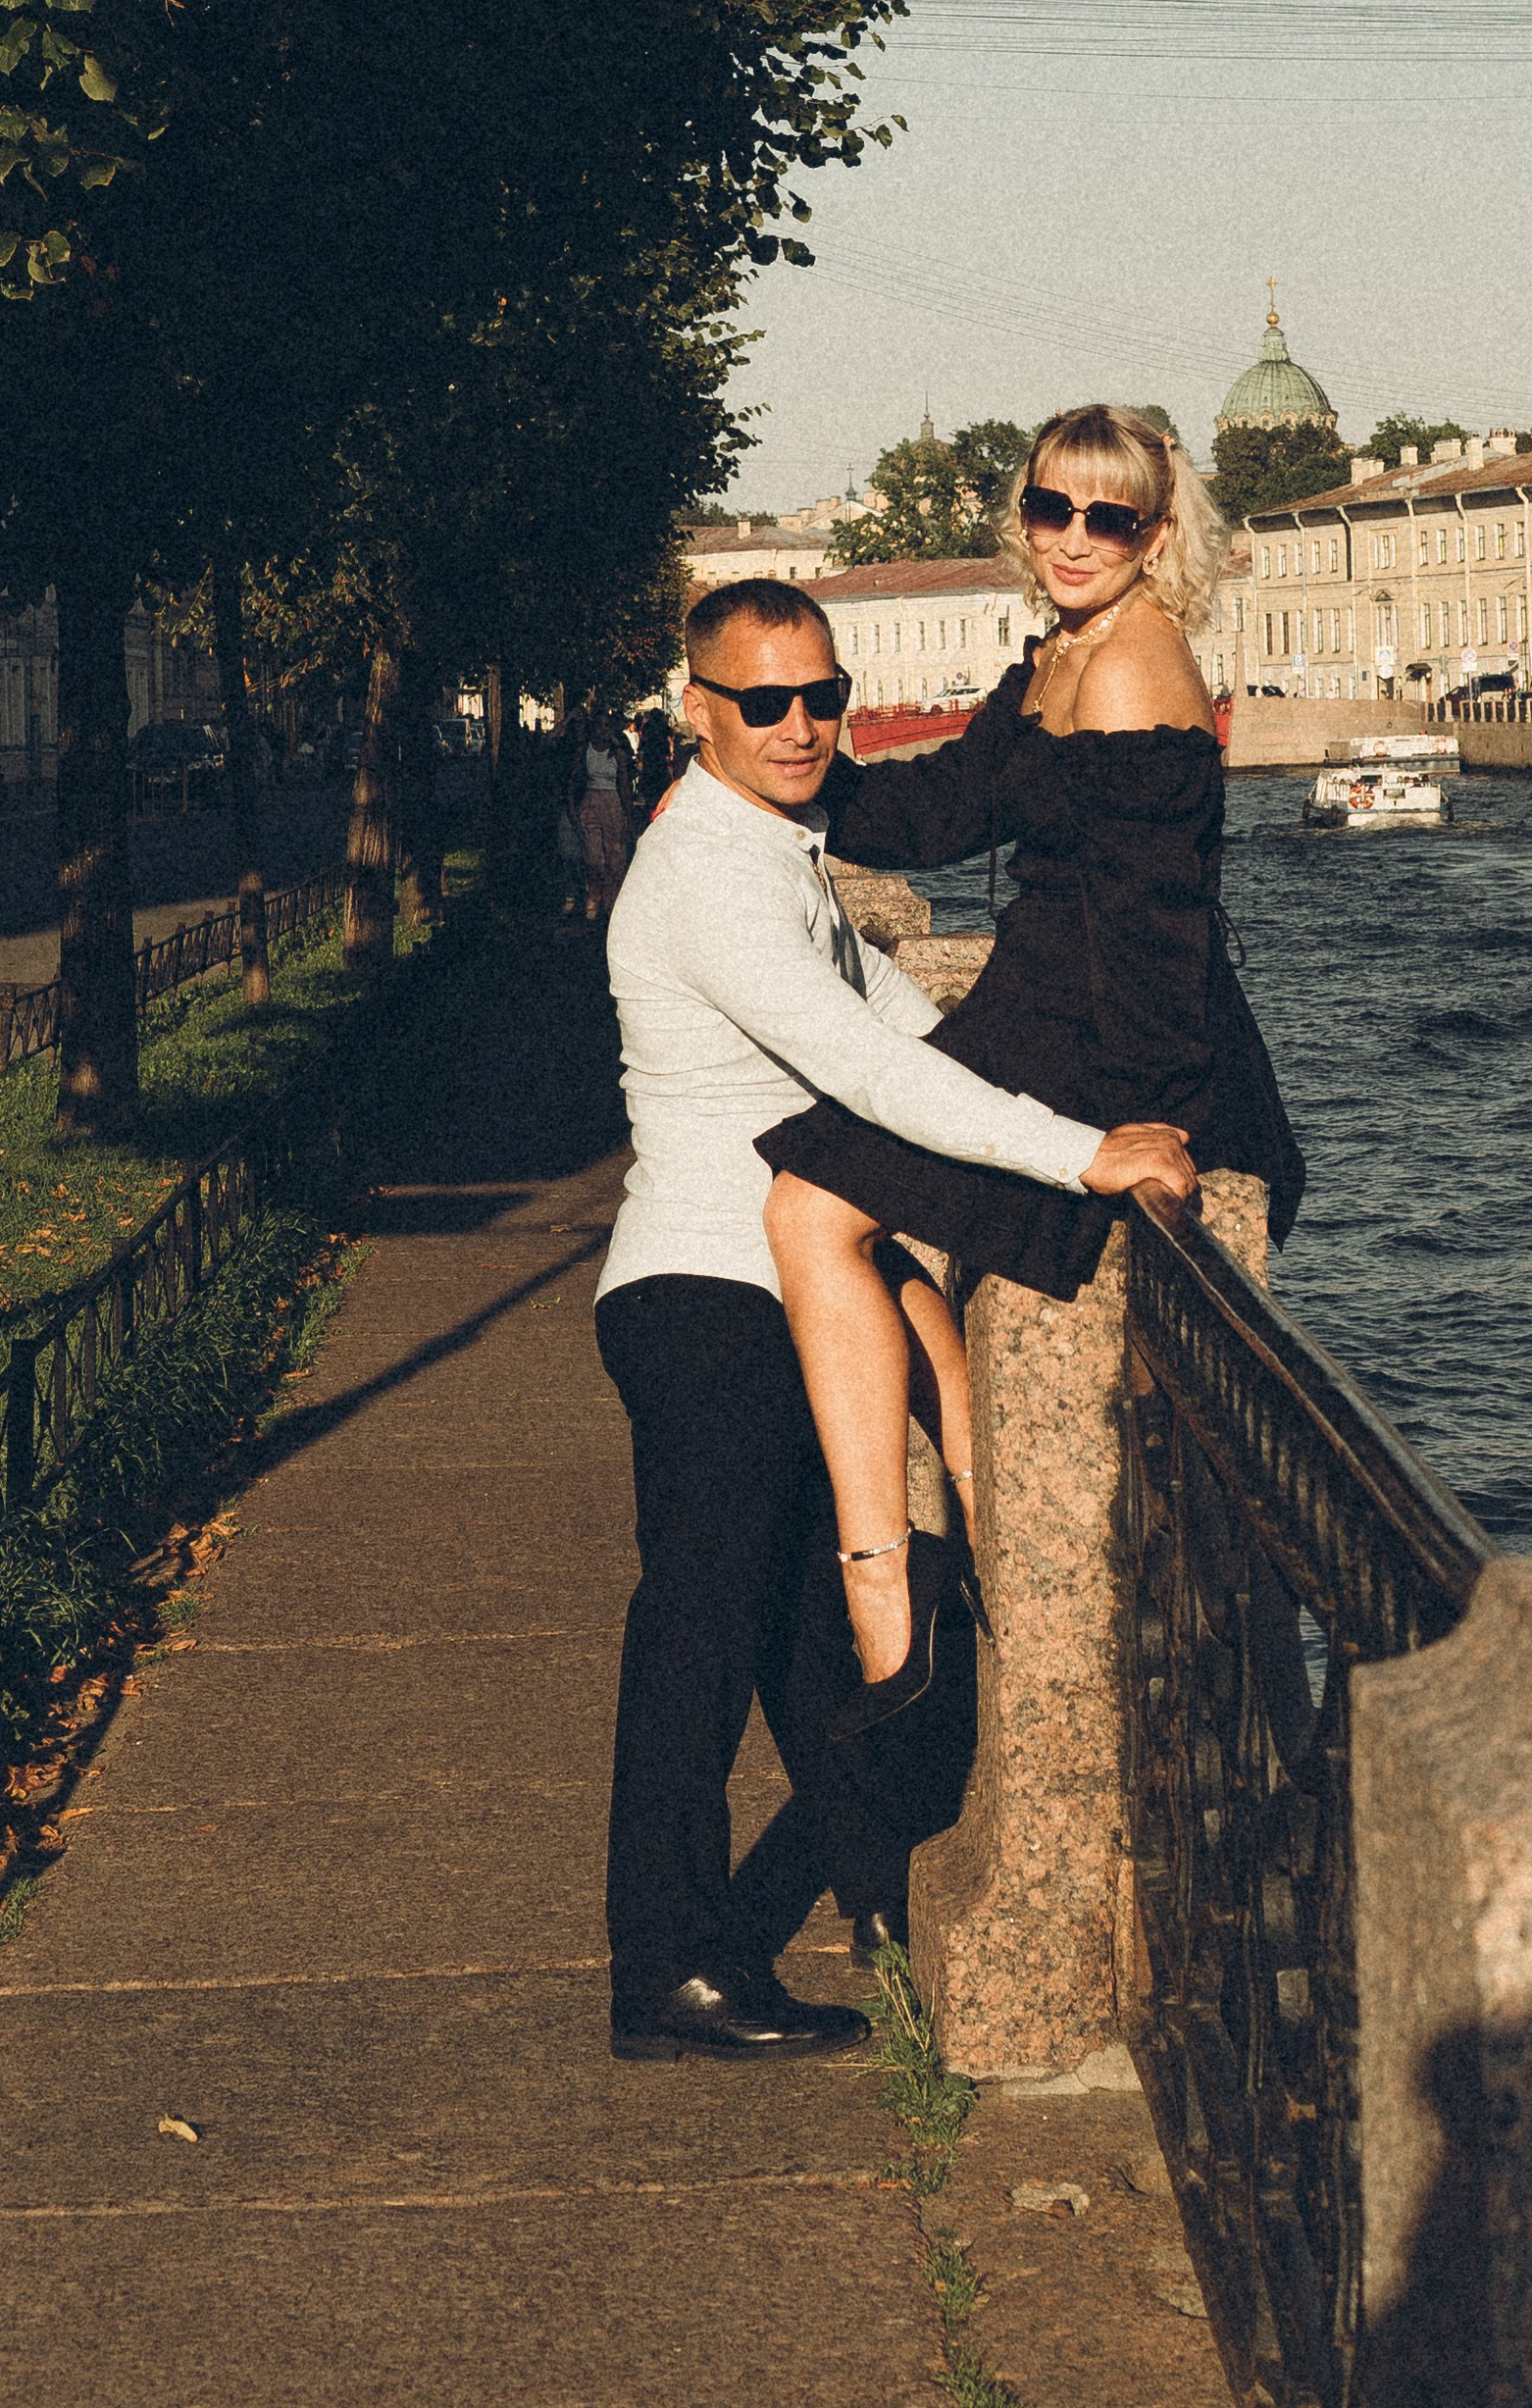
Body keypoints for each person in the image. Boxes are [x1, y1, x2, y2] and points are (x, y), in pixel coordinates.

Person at [593, 575, 1196, 2064]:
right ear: (698, 711)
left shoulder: (769, 845)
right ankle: (664, 1967)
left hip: (762, 1288)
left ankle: (879, 1894)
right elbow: (869, 1073)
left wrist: (1099, 1088)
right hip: (707, 1293)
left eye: (823, 697)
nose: (803, 728)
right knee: (700, 1636)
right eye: (763, 703)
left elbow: (915, 1024)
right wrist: (1075, 1157)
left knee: (805, 1633)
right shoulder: (712, 879)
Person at [761, 404, 1303, 1717]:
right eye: (1052, 508)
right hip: (1038, 1005)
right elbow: (946, 807)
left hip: (1112, 1038)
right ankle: (954, 1489)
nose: (1072, 538)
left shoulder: (1132, 668)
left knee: (812, 1207)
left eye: (1107, 517)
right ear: (1025, 514)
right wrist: (779, 767)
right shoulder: (1060, 649)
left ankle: (892, 1578)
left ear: (1157, 534)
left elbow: (1157, 927)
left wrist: (1127, 1131)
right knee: (833, 1209)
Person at [577, 708, 632, 924]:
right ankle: (593, 896)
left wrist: (628, 816)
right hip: (591, 801)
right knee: (594, 858)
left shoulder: (618, 754)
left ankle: (611, 904)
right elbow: (576, 779)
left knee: (614, 858)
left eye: (606, 726)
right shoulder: (585, 751)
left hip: (612, 804)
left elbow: (624, 786)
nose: (602, 730)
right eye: (598, 725)